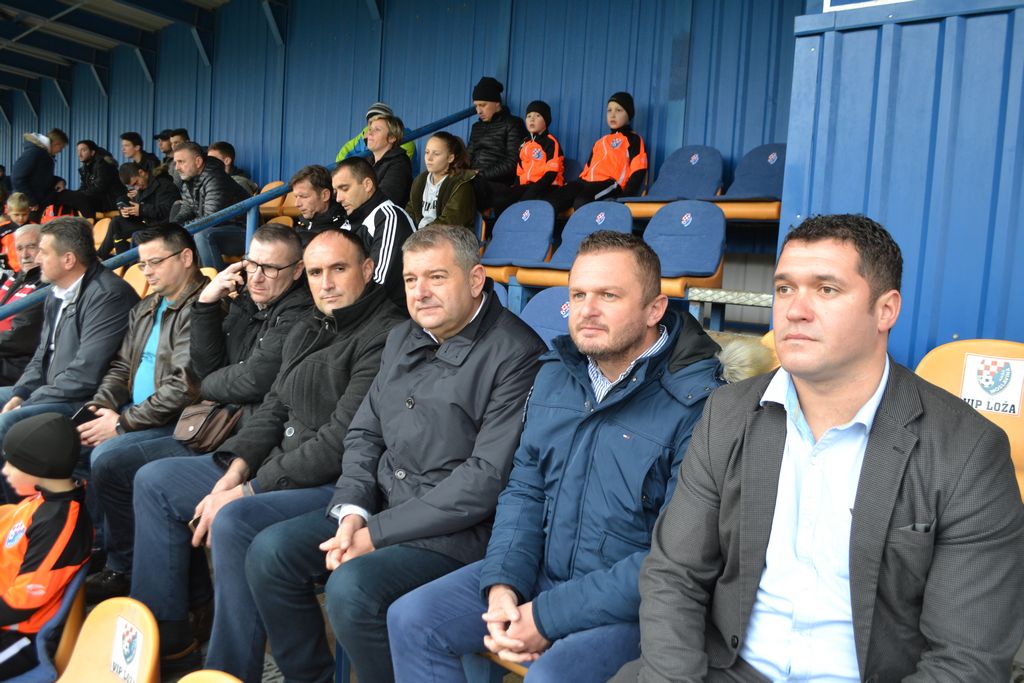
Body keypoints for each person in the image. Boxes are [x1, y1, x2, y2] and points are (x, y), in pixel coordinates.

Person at [614, 214, 1024, 682]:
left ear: (885, 310)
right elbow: (674, 575)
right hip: (727, 670)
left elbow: (966, 660)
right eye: (785, 288)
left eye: (826, 289)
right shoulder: (727, 414)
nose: (795, 310)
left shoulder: (967, 451)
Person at [386, 231, 766, 682]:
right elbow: (524, 490)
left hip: (635, 604)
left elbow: (672, 556)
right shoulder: (555, 375)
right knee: (412, 619)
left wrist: (546, 617)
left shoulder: (700, 403)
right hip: (543, 573)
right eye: (578, 294)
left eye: (609, 295)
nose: (587, 310)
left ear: (654, 309)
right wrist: (504, 584)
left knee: (551, 676)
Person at [244, 224, 547, 683]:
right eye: (410, 279)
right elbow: (364, 433)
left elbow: (484, 480)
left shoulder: (517, 352)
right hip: (382, 508)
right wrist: (352, 511)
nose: (420, 292)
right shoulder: (404, 336)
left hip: (457, 535)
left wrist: (376, 533)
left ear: (476, 279)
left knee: (353, 588)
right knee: (271, 553)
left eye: (437, 277)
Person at [129, 228, 404, 674]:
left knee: (235, 520)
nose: (326, 283)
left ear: (367, 269)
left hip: (337, 485)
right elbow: (274, 407)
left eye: (338, 269)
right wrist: (233, 473)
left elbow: (339, 443)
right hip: (276, 463)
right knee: (155, 480)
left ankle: (228, 670)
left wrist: (246, 490)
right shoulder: (310, 324)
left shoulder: (386, 333)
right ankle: (167, 632)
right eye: (316, 272)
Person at [81, 225, 207, 603]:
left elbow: (185, 387)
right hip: (134, 413)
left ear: (186, 258)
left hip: (177, 424)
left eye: (155, 262)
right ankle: (98, 547)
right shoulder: (146, 306)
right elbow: (122, 366)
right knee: (73, 437)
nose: (147, 272)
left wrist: (122, 423)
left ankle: (122, 566)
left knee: (107, 458)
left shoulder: (203, 308)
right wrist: (103, 404)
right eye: (142, 265)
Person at [0, 217, 138, 502]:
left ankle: (15, 514)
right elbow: (41, 355)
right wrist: (20, 392)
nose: (36, 258)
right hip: (52, 391)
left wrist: (29, 401)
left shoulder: (108, 295)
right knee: (7, 404)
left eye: (43, 251)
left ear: (68, 260)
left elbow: (85, 375)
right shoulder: (56, 292)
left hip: (82, 400)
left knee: (7, 424)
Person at [0, 413, 91, 679]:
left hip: (20, 636)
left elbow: (20, 605)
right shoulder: (41, 500)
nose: (5, 471)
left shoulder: (59, 524)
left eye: (12, 464)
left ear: (38, 469)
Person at [333, 157, 416, 309]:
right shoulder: (348, 222)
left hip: (390, 315)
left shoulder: (389, 217)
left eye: (344, 189)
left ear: (367, 185)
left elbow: (379, 283)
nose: (338, 198)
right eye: (336, 191)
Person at [546, 92, 647, 213]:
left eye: (619, 110)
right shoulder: (600, 142)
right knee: (551, 202)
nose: (613, 114)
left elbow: (638, 170)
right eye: (609, 110)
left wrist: (625, 197)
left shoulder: (634, 139)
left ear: (629, 114)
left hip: (609, 183)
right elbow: (587, 168)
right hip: (585, 182)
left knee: (582, 202)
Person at [169, 142, 250, 268]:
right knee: (169, 235)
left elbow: (210, 219)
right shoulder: (189, 180)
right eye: (176, 162)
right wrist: (173, 227)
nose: (177, 167)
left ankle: (212, 279)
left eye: (181, 162)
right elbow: (187, 210)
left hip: (244, 231)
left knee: (203, 235)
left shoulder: (216, 178)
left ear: (198, 162)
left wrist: (181, 230)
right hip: (219, 229)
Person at [491, 99, 565, 217]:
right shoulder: (524, 143)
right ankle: (499, 227)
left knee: (526, 200)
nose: (532, 119)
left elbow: (551, 173)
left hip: (548, 186)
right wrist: (515, 188)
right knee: (502, 199)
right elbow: (520, 171)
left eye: (537, 116)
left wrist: (534, 189)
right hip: (527, 186)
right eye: (529, 116)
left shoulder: (550, 142)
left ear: (546, 121)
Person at [467, 77, 528, 211]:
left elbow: (513, 163)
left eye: (483, 105)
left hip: (499, 184)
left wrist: (479, 174)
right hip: (474, 180)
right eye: (476, 106)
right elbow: (467, 156)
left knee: (466, 188)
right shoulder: (476, 127)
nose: (478, 111)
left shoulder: (513, 124)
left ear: (496, 103)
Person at [98, 162, 180, 258]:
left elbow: (168, 211)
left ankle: (121, 262)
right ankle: (100, 256)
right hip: (148, 226)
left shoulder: (164, 185)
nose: (136, 187)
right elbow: (140, 213)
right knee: (117, 221)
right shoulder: (142, 189)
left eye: (136, 183)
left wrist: (141, 209)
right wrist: (128, 212)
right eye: (133, 186)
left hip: (163, 228)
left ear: (141, 172)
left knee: (130, 235)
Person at [0, 225, 45, 385]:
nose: (24, 255)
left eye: (31, 247)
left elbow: (19, 337)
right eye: (19, 248)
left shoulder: (45, 284)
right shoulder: (17, 278)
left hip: (19, 364)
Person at [406, 132, 476, 230]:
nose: (429, 158)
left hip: (447, 237)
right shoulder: (420, 180)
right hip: (420, 235)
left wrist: (419, 234)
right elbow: (410, 212)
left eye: (436, 154)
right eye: (427, 152)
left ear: (450, 158)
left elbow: (449, 223)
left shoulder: (461, 185)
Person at [50, 140, 123, 217]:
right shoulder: (86, 168)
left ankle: (88, 219)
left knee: (70, 197)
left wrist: (78, 195)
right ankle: (63, 221)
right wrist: (76, 195)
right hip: (98, 200)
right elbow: (83, 187)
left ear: (92, 152)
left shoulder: (103, 165)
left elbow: (99, 188)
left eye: (83, 150)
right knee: (65, 196)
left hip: (109, 202)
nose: (79, 154)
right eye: (78, 151)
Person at [12, 129, 68, 222]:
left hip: (35, 203)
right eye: (61, 148)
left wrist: (59, 180)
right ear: (56, 144)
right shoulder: (35, 153)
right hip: (28, 206)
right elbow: (17, 177)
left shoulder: (44, 154)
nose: (60, 151)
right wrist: (31, 201)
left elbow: (41, 178)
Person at [335, 102, 417, 163]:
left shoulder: (405, 136)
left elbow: (397, 162)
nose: (371, 131)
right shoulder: (366, 133)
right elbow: (341, 158)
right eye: (370, 122)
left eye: (378, 128)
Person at [291, 165, 345, 246]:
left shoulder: (343, 230)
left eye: (304, 196)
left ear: (325, 195)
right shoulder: (300, 225)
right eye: (296, 197)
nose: (297, 204)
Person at [367, 114, 413, 208]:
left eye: (377, 129)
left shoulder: (400, 164)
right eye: (370, 129)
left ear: (392, 137)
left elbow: (384, 200)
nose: (370, 133)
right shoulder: (366, 163)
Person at [0, 193, 31, 271]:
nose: (21, 218)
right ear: (8, 212)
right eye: (16, 215)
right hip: (8, 269)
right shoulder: (2, 228)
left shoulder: (34, 228)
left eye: (24, 214)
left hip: (29, 269)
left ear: (29, 212)